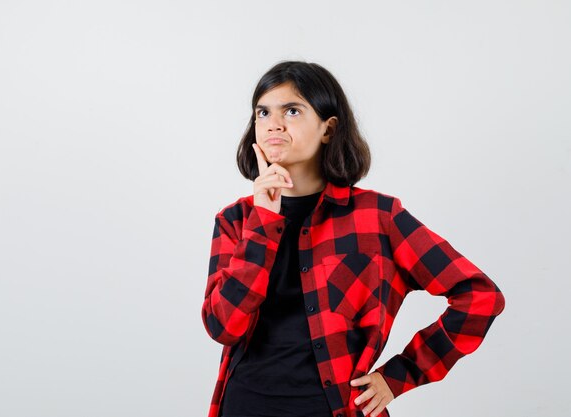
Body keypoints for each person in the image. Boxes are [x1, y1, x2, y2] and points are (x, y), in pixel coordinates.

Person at [201, 61, 505, 417]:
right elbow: (223, 326)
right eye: (263, 112)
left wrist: (398, 376)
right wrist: (263, 222)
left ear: (329, 129)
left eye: (293, 110)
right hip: (244, 405)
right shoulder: (236, 220)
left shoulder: (377, 217)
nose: (274, 124)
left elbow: (480, 296)